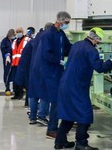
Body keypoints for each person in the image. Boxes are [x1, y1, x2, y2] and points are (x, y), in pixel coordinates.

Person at [55, 28, 112, 150]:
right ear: (96, 39)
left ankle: (60, 141)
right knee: (85, 114)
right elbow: (99, 68)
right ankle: (81, 144)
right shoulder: (91, 50)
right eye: (99, 40)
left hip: (65, 84)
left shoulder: (77, 45)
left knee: (69, 114)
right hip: (77, 87)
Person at [30, 11, 73, 139]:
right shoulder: (48, 35)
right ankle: (52, 129)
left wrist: (81, 48)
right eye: (66, 22)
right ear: (60, 21)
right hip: (49, 72)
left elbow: (67, 47)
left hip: (57, 71)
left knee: (57, 100)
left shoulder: (61, 34)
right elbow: (47, 54)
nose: (67, 25)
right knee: (54, 100)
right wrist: (59, 61)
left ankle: (54, 127)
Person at [15, 23, 52, 124]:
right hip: (43, 70)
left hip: (33, 70)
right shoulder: (47, 40)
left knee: (34, 93)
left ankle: (32, 116)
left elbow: (24, 57)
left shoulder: (33, 41)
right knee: (45, 93)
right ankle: (42, 115)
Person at [10, 26, 31, 100]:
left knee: (22, 80)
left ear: (23, 32)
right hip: (15, 64)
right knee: (15, 80)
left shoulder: (27, 40)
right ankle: (16, 94)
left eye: (20, 31)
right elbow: (12, 51)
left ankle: (21, 94)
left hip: (23, 64)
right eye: (17, 32)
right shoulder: (15, 41)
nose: (18, 33)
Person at [0, 29, 15, 95]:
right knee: (7, 73)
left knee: (14, 74)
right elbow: (3, 49)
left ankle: (15, 89)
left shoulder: (15, 40)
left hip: (14, 60)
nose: (10, 37)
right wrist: (7, 55)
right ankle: (7, 88)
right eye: (9, 36)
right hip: (7, 60)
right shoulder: (4, 41)